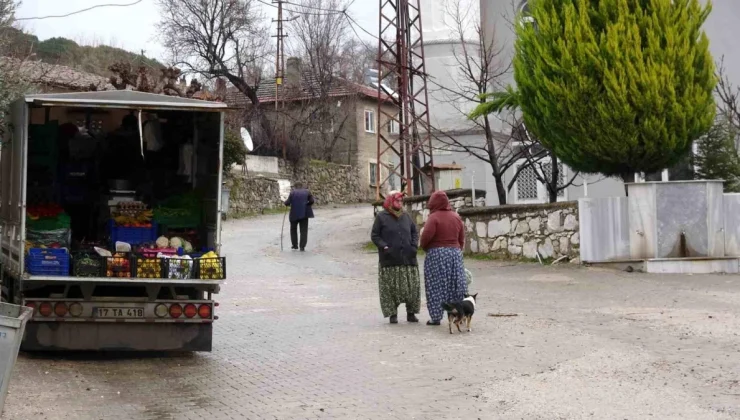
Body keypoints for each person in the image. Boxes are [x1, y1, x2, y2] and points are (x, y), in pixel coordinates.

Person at [371, 191, 420, 324]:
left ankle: (411, 313)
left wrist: (414, 245)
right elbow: (375, 235)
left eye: (401, 201)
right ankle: (393, 314)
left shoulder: (406, 216)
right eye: (397, 201)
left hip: (408, 259)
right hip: (390, 259)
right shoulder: (381, 217)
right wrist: (384, 246)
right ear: (391, 201)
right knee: (390, 289)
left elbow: (414, 231)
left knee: (412, 289)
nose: (400, 204)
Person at [420, 191, 467, 326]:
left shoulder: (433, 218)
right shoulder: (456, 217)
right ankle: (459, 313)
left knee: (436, 286)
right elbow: (461, 238)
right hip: (455, 254)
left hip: (437, 255)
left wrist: (427, 248)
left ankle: (436, 317)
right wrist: (457, 249)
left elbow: (425, 238)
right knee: (456, 285)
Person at [284, 182, 315, 251]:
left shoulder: (292, 192)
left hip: (294, 214)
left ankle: (295, 245)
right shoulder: (307, 192)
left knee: (293, 230)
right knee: (303, 230)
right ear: (302, 186)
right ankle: (302, 246)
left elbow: (288, 202)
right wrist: (307, 204)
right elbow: (312, 201)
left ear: (295, 186)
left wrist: (285, 203)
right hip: (304, 213)